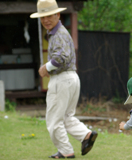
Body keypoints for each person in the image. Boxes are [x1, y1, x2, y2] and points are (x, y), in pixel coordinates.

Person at [30, 0, 97, 158]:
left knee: (53, 120)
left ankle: (66, 152)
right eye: (42, 17)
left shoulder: (58, 34)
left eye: (49, 16)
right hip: (71, 78)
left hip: (62, 80)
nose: (45, 20)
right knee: (66, 117)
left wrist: (46, 67)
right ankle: (86, 135)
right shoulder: (59, 32)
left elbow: (62, 57)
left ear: (57, 15)